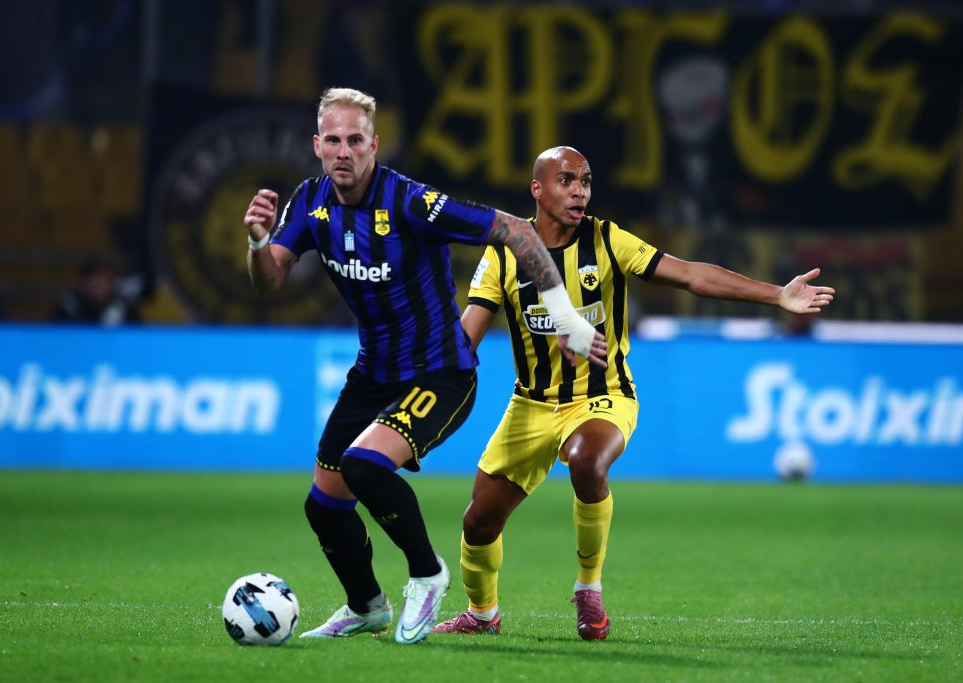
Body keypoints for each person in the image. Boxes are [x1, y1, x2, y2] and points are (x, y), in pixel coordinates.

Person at [242, 89, 606, 645]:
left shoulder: (410, 202)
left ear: (374, 145)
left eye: (355, 140)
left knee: (364, 466)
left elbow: (516, 231)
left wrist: (565, 318)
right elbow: (269, 281)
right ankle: (366, 606)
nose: (344, 151)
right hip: (373, 373)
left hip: (440, 372)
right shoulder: (310, 203)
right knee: (324, 505)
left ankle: (427, 574)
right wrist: (257, 242)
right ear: (317, 146)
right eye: (333, 140)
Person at [433, 146, 835, 640]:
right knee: (478, 523)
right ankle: (482, 614)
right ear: (537, 189)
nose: (579, 191)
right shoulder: (502, 254)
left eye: (586, 180)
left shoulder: (606, 239)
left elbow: (691, 275)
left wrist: (776, 294)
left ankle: (588, 587)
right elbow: (466, 338)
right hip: (531, 405)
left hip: (603, 396)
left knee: (586, 460)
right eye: (566, 180)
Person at [54, 259, 141, 325]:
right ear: (82, 283)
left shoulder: (123, 307)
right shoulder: (70, 306)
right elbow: (59, 332)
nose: (97, 286)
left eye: (103, 280)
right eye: (92, 281)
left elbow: (138, 333)